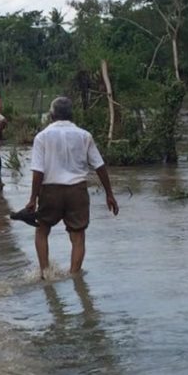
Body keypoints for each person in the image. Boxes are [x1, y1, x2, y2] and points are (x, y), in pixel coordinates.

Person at [22, 96, 120, 279]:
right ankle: (75, 277)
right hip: (77, 190)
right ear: (71, 115)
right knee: (78, 236)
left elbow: (38, 171)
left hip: (50, 190)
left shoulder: (42, 137)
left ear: (51, 115)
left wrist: (32, 198)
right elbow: (99, 166)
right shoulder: (84, 135)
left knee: (42, 230)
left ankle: (45, 273)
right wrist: (109, 194)